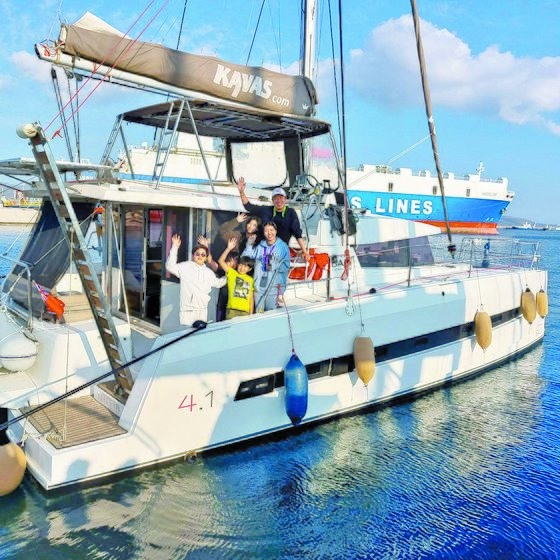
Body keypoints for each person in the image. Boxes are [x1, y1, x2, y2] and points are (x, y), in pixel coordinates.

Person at [236, 177, 310, 261]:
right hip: (263, 248)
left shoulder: (291, 213)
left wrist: (305, 252)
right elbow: (249, 207)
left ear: (285, 199)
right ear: (272, 200)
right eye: (276, 198)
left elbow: (297, 234)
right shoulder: (266, 210)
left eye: (281, 197)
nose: (279, 200)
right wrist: (241, 192)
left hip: (279, 251)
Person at [165, 234, 226, 327]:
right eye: (197, 254)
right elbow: (170, 266)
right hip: (187, 311)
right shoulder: (185, 267)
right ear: (193, 255)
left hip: (203, 311)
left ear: (206, 257)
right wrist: (175, 247)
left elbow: (218, 283)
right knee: (185, 336)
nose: (200, 256)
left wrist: (229, 276)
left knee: (199, 336)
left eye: (203, 255)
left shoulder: (208, 272)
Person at [253, 221, 290, 312]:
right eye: (266, 231)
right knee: (259, 312)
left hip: (274, 287)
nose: (269, 233)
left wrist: (274, 266)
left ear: (276, 231)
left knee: (271, 313)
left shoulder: (283, 247)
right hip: (259, 286)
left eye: (271, 230)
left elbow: (286, 266)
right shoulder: (260, 247)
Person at [218, 238, 255, 319]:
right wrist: (228, 248)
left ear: (249, 269)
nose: (242, 268)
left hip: (245, 312)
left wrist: (251, 314)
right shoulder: (232, 273)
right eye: (241, 265)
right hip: (231, 310)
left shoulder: (250, 280)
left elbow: (251, 298)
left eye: (246, 266)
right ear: (238, 265)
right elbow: (221, 261)